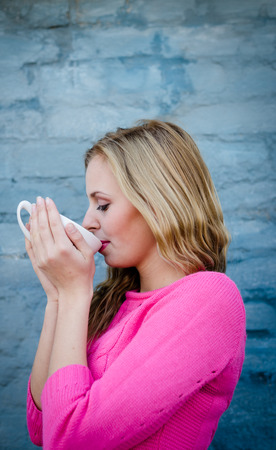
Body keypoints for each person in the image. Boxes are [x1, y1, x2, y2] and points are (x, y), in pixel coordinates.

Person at [25, 120, 246, 449]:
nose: (88, 220)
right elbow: (42, 426)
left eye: (102, 204)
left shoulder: (209, 299)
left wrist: (73, 294)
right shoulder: (112, 304)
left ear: (158, 202)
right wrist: (57, 297)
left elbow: (68, 441)